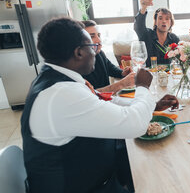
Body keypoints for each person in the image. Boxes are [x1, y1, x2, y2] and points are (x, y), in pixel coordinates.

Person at [21, 17, 179, 193]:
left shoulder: (58, 80)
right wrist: (142, 87)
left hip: (95, 175)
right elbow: (135, 126)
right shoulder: (60, 94)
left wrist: (153, 105)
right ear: (78, 53)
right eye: (92, 47)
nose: (97, 51)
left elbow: (103, 100)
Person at [82, 20, 135, 93]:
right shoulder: (79, 65)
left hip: (108, 100)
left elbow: (111, 69)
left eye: (99, 35)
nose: (99, 40)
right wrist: (122, 84)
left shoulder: (99, 53)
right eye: (92, 36)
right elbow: (91, 94)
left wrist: (123, 73)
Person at [134, 0, 179, 67]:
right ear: (155, 21)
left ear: (171, 23)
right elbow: (138, 27)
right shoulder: (147, 34)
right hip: (150, 75)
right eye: (160, 18)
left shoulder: (174, 39)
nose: (164, 21)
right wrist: (143, 8)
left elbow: (181, 60)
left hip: (170, 75)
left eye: (167, 19)